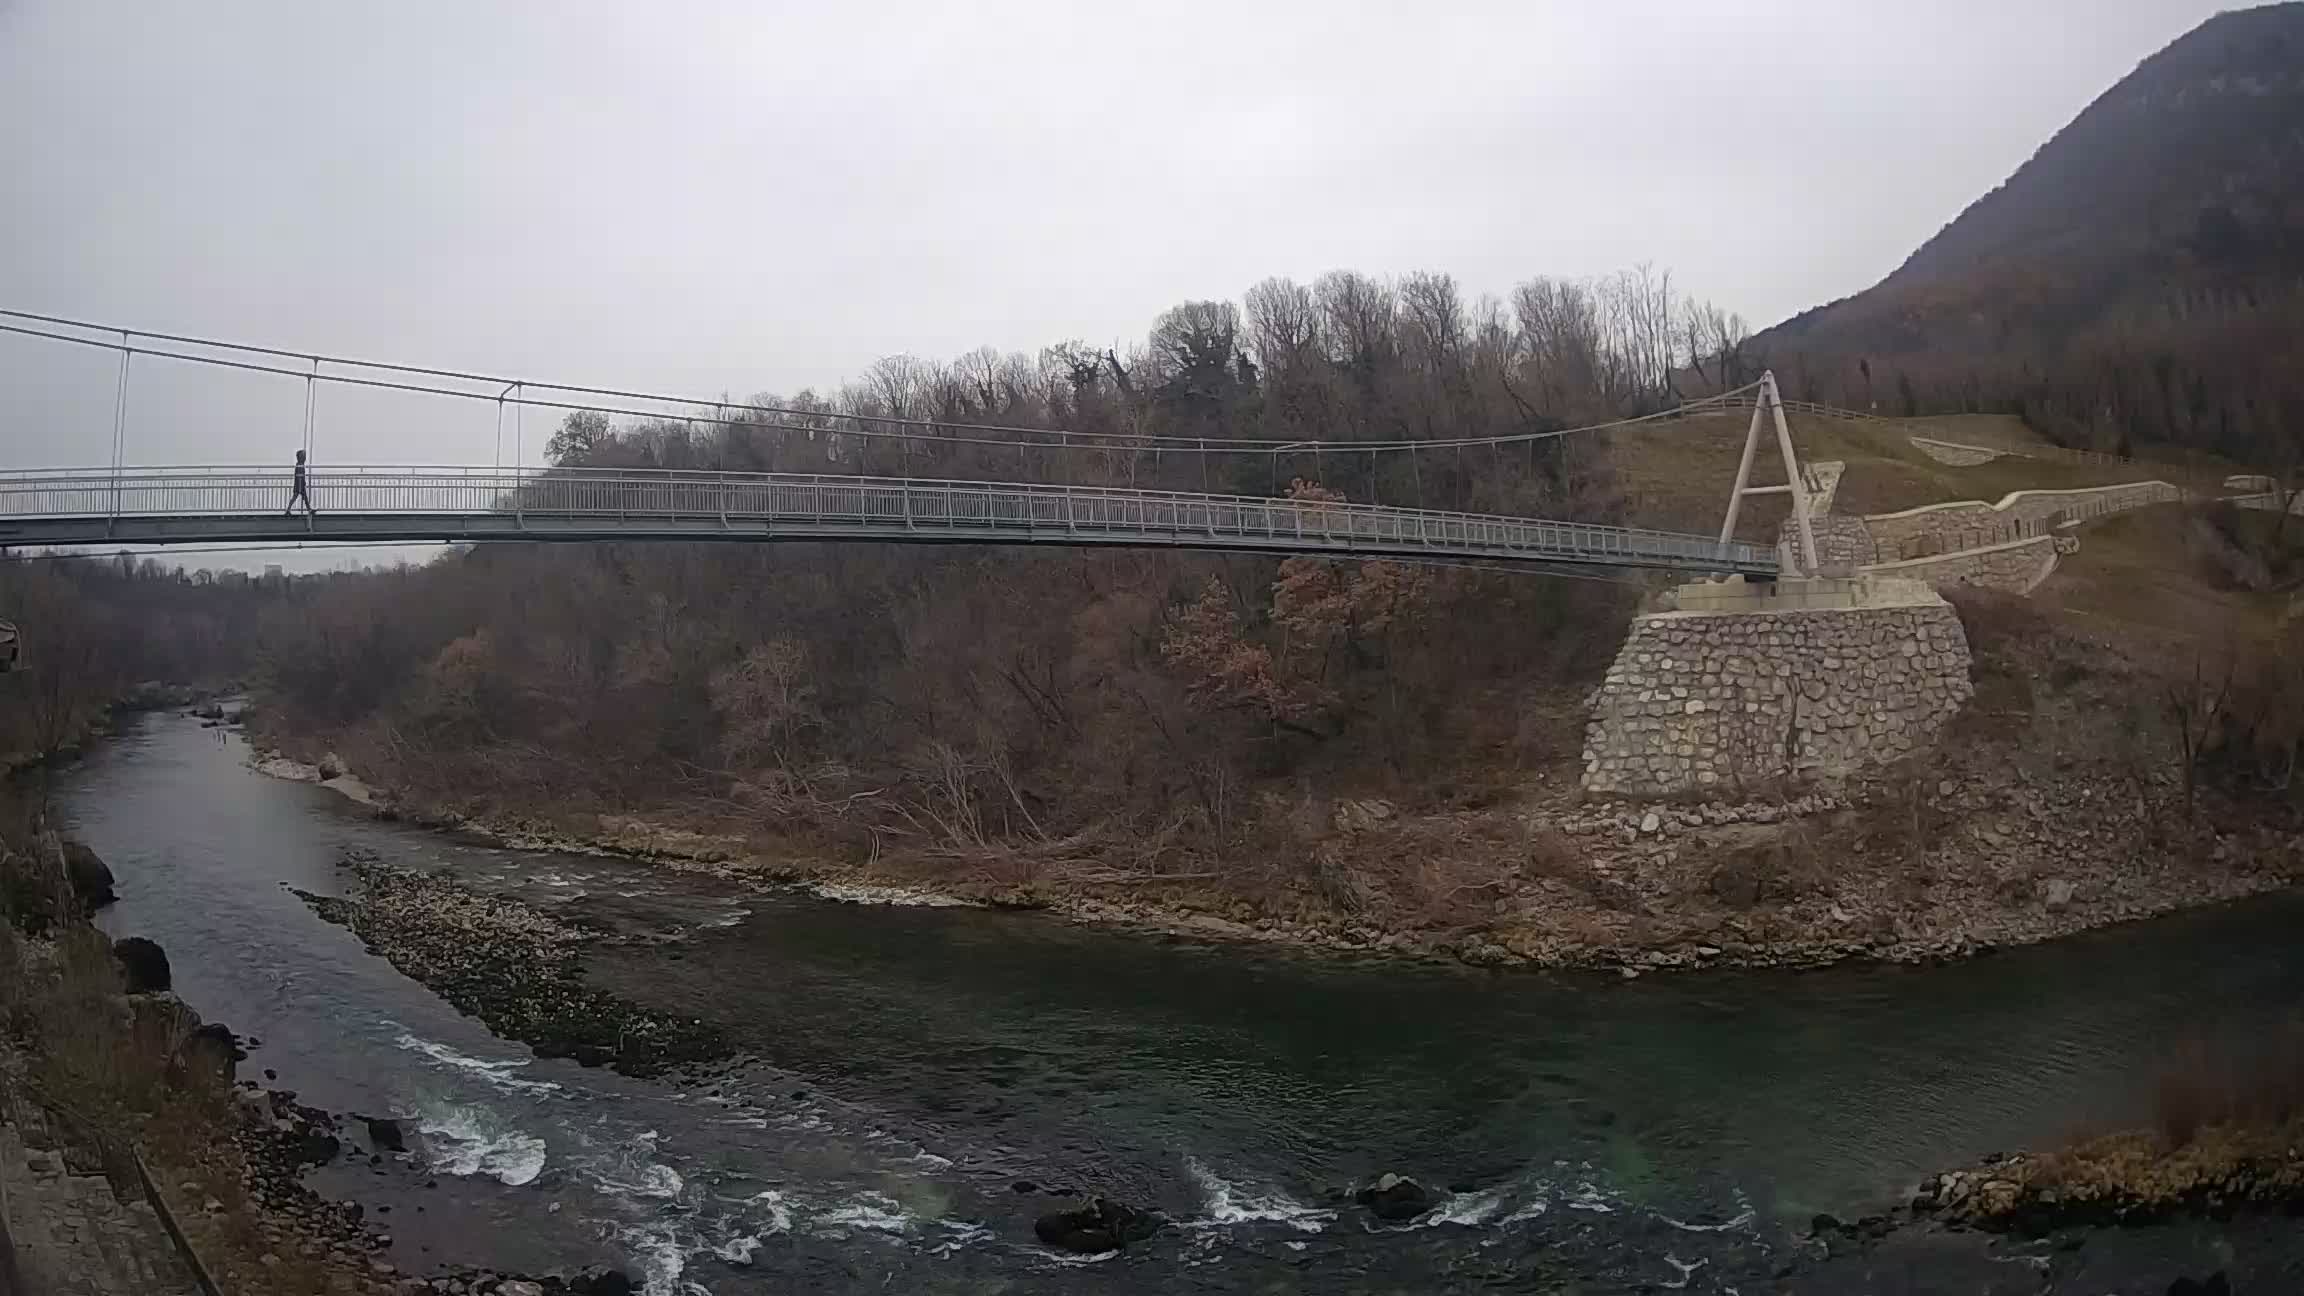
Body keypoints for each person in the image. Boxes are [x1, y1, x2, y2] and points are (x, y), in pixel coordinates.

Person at [284, 449, 313, 517]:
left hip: (300, 484)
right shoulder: (300, 465)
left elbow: (301, 476)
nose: (305, 457)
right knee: (295, 496)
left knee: (304, 497)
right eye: (304, 456)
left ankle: (309, 510)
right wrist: (301, 487)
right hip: (299, 485)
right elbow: (299, 476)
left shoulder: (300, 464)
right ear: (301, 457)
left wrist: (304, 482)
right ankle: (288, 510)